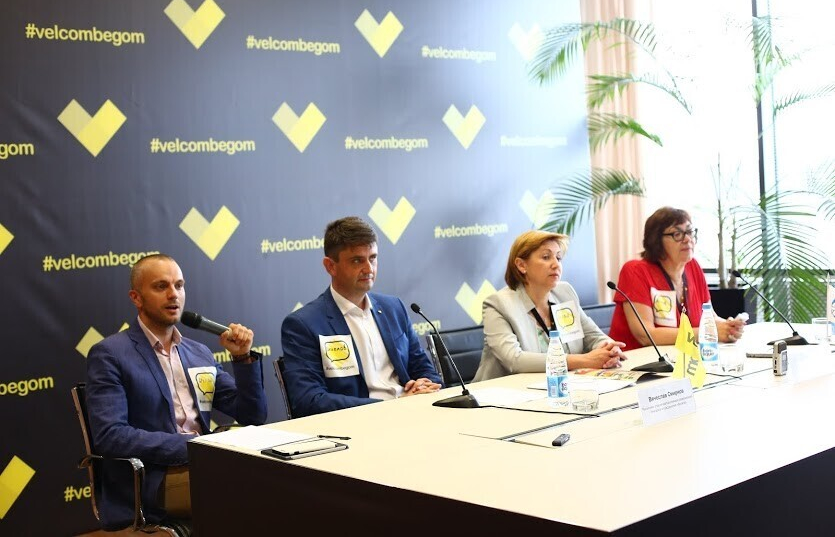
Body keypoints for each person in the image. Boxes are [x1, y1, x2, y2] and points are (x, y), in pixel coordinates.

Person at [85, 254, 267, 529]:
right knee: (249, 489)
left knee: (277, 477)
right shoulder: (110, 354)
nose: (173, 294)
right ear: (136, 298)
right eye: (161, 286)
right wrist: (192, 446)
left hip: (205, 463)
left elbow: (252, 414)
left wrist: (242, 358)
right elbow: (111, 436)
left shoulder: (199, 352)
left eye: (179, 285)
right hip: (152, 478)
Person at [281, 216, 442, 417]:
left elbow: (426, 370)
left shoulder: (394, 308)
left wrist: (424, 385)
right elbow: (309, 400)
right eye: (357, 260)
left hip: (413, 413)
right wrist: (392, 406)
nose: (369, 269)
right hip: (357, 424)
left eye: (372, 258)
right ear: (330, 266)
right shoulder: (304, 324)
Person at [472, 230, 627, 382]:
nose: (556, 264)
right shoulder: (498, 304)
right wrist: (585, 360)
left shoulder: (564, 292)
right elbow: (514, 360)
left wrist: (609, 349)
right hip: (503, 392)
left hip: (560, 386)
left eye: (558, 258)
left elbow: (593, 336)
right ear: (521, 265)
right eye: (546, 257)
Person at [609, 206, 746, 350]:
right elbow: (646, 335)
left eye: (689, 232)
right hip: (637, 360)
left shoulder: (693, 267)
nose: (687, 239)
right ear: (656, 240)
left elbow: (710, 318)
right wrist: (708, 332)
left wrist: (728, 327)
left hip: (684, 357)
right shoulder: (635, 271)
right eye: (677, 234)